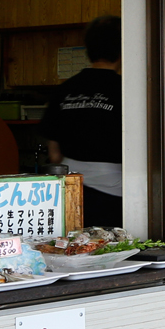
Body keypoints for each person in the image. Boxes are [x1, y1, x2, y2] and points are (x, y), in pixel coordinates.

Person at [39, 15, 124, 228]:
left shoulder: (65, 89)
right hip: (115, 194)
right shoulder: (126, 90)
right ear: (123, 50)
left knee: (75, 248)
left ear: (88, 49)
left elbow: (54, 154)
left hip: (70, 192)